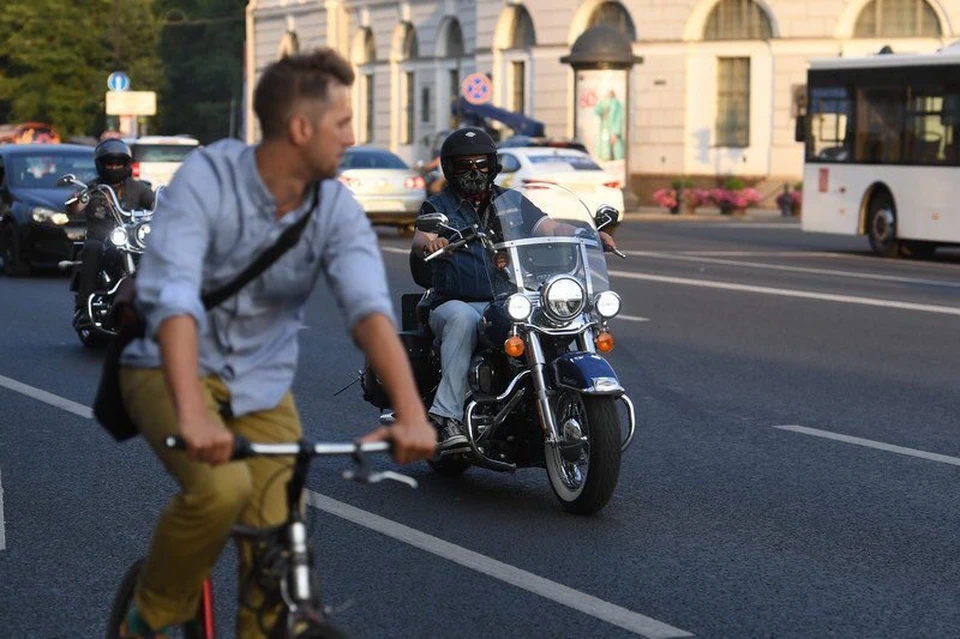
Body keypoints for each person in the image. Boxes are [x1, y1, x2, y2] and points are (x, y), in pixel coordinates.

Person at [116, 49, 436, 637]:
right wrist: (194, 416)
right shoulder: (206, 181)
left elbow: (367, 311)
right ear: (300, 128)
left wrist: (412, 414)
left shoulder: (334, 206)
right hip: (167, 369)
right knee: (220, 489)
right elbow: (177, 301)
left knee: (278, 529)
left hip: (260, 387)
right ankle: (150, 616)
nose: (353, 135)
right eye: (342, 122)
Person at [410, 128, 617, 451]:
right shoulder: (438, 205)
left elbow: (548, 227)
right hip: (453, 301)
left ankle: (545, 396)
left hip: (507, 299)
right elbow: (421, 238)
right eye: (465, 165)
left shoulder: (511, 200)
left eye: (480, 163)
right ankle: (445, 418)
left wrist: (585, 232)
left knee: (550, 319)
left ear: (492, 166)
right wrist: (431, 243)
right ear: (451, 169)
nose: (474, 172)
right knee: (463, 320)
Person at [67, 139, 156, 307]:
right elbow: (73, 209)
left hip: (131, 241)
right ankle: (85, 302)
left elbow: (156, 204)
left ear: (126, 164)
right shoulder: (92, 187)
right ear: (101, 165)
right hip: (101, 240)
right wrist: (78, 201)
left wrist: (167, 207)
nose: (114, 167)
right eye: (109, 164)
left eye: (118, 163)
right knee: (91, 248)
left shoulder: (137, 188)